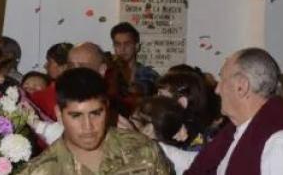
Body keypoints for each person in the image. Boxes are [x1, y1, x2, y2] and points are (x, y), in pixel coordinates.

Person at [186, 47, 283, 175]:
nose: (217, 90)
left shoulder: (281, 142)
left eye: (222, 79)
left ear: (241, 86)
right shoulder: (238, 130)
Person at [18, 68, 172, 174]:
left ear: (107, 108)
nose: (88, 126)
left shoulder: (142, 150)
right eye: (76, 116)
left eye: (96, 113)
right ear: (59, 113)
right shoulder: (40, 171)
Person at [128, 96, 199, 173]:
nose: (129, 120)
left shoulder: (155, 155)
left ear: (149, 129)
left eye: (133, 121)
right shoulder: (166, 152)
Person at [110, 22, 159, 97]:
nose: (122, 49)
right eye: (118, 44)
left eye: (127, 44)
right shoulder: (108, 74)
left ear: (137, 46)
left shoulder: (149, 75)